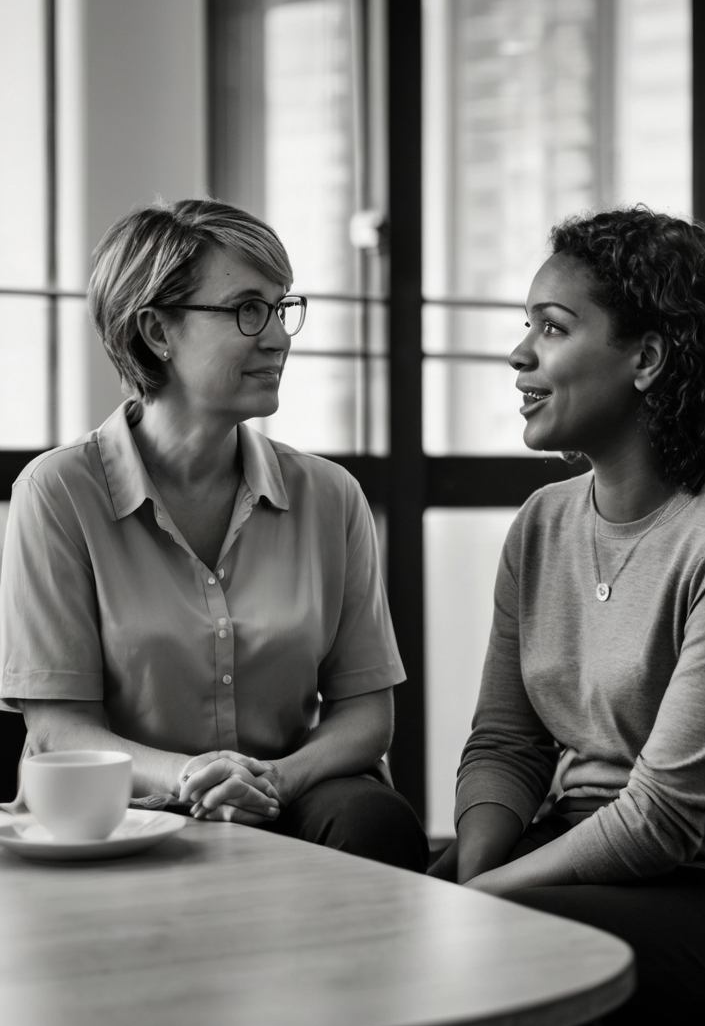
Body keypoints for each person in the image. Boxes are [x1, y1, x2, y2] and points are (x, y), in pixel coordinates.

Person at [430, 207, 705, 1026]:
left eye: (552, 327)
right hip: (585, 856)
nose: (519, 354)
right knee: (397, 929)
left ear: (648, 359)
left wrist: (489, 903)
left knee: (520, 943)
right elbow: (506, 744)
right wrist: (472, 879)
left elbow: (665, 817)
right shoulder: (543, 524)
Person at [0, 197, 427, 874]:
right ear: (157, 331)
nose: (279, 336)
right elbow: (60, 730)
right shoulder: (57, 494)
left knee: (374, 819)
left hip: (288, 792)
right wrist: (191, 777)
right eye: (247, 309)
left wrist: (278, 780)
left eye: (282, 308)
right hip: (124, 802)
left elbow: (367, 717)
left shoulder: (329, 497)